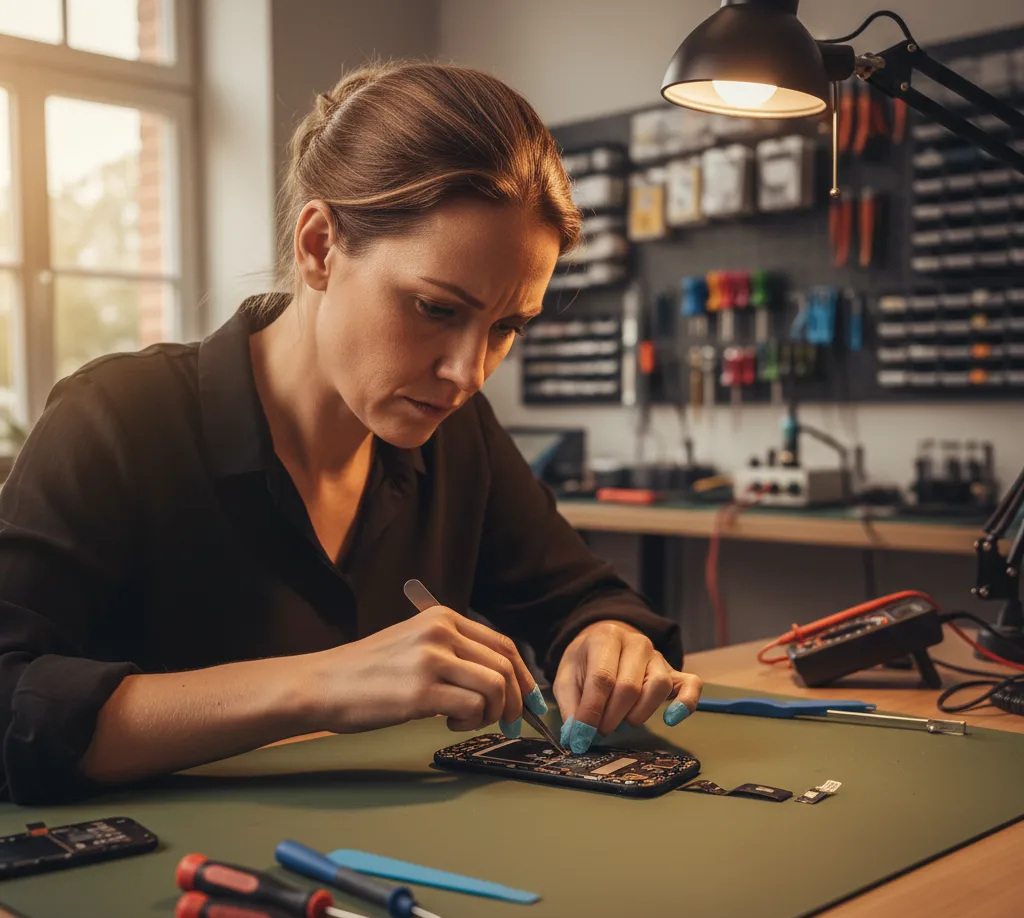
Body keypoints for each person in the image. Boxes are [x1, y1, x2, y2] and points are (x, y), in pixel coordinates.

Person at [0, 60, 701, 806]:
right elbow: (11, 698)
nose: (468, 372)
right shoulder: (114, 417)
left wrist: (607, 644)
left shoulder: (457, 437)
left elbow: (584, 599)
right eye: (436, 307)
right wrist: (319, 683)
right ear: (319, 246)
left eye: (507, 328)